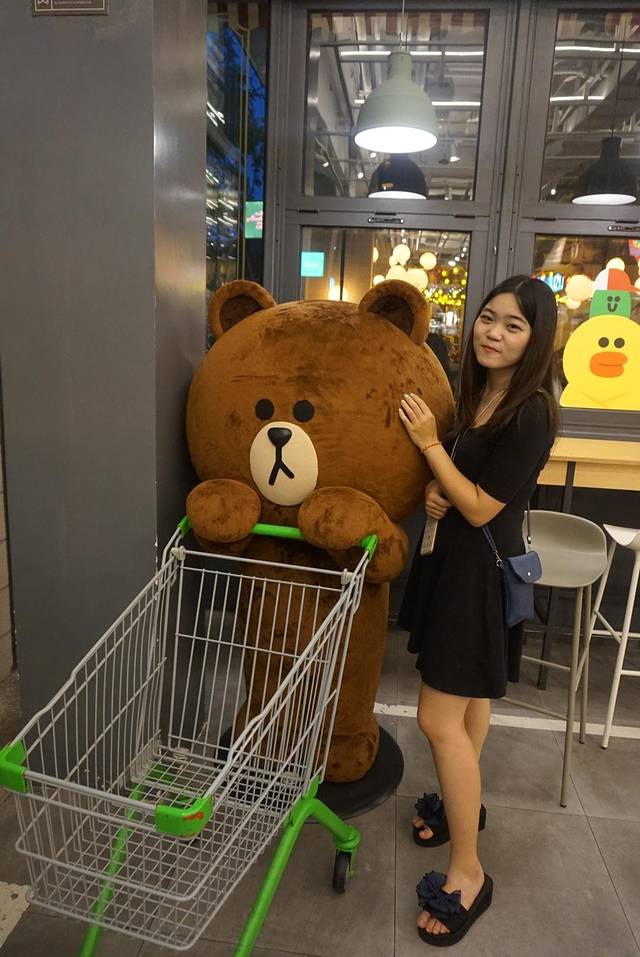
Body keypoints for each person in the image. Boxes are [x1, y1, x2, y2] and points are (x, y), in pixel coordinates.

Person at [397, 275, 559, 947]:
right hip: (457, 567)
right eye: (488, 318)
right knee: (465, 708)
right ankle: (462, 805)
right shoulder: (485, 392)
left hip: (477, 580)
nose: (493, 332)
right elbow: (466, 489)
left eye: (513, 325)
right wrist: (437, 490)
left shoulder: (532, 410)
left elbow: (484, 506)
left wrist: (430, 445)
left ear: (537, 338)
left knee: (437, 719)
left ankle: (468, 871)